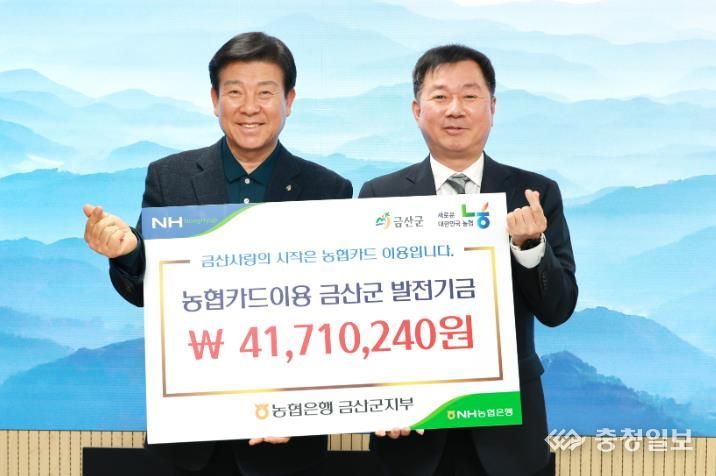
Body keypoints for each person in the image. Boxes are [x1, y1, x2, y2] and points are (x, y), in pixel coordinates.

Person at [83, 32, 352, 476]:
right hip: (191, 435)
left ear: (289, 101)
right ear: (214, 100)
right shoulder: (169, 177)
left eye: (265, 93)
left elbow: (339, 309)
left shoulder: (328, 190)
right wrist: (128, 253)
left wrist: (299, 405)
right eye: (235, 92)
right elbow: (147, 292)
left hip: (289, 436)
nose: (250, 107)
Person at [359, 45, 578, 476]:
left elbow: (559, 309)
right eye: (440, 97)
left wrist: (530, 246)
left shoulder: (534, 194)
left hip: (509, 432)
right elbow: (363, 311)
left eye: (470, 96)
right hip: (412, 429)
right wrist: (381, 399)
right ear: (417, 110)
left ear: (492, 107)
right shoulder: (380, 196)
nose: (455, 109)